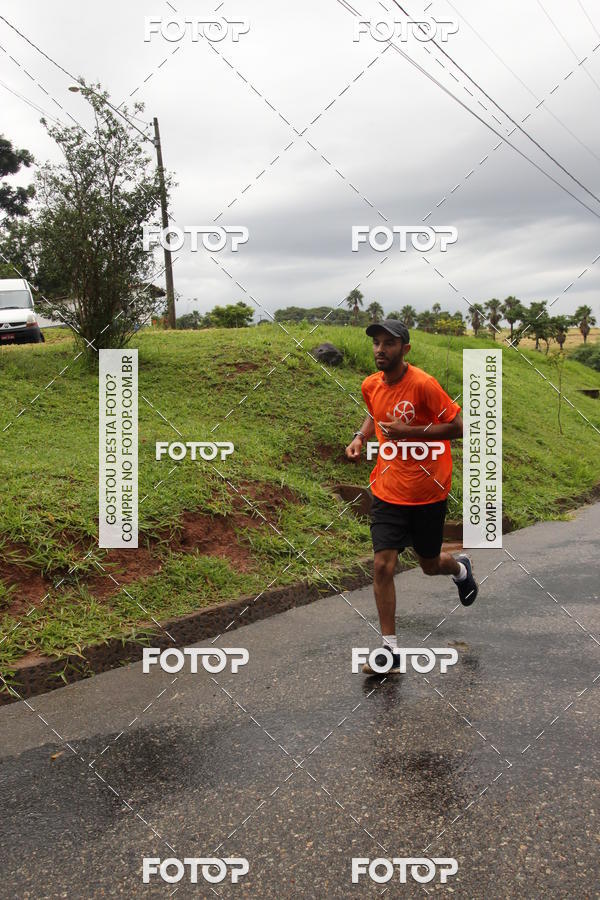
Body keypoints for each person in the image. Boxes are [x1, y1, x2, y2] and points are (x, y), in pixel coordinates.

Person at [345, 319, 478, 674]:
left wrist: (411, 432)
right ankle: (389, 650)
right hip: (388, 491)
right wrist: (360, 436)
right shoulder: (370, 384)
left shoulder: (423, 384)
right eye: (376, 343)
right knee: (382, 565)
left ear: (405, 348)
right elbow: (375, 414)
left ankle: (459, 567)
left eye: (388, 343)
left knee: (430, 564)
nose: (380, 349)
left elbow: (458, 427)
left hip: (428, 492)